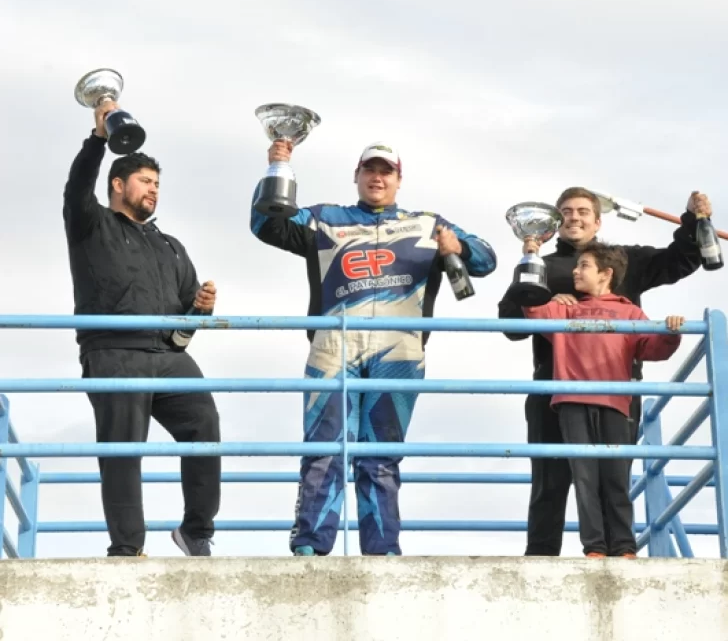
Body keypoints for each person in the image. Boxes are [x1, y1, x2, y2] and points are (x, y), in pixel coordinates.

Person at [251, 140, 497, 556]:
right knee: (324, 448)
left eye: (386, 171)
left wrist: (459, 248)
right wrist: (278, 166)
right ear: (357, 176)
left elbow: (486, 260)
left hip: (399, 353)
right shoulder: (326, 218)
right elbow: (266, 226)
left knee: (380, 458)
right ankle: (310, 547)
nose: (377, 177)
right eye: (370, 170)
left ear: (399, 180)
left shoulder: (426, 223)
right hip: (334, 347)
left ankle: (382, 552)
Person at [498, 185, 712, 556]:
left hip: (617, 390)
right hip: (554, 388)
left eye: (583, 211)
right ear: (555, 220)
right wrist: (541, 297)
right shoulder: (541, 267)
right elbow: (511, 325)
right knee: (551, 478)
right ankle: (541, 557)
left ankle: (619, 549)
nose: (574, 217)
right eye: (566, 211)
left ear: (598, 221)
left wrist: (694, 219)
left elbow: (681, 260)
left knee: (613, 472)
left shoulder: (627, 260)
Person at [63, 100, 221, 557]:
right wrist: (98, 139)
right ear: (118, 184)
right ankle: (128, 549)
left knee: (204, 426)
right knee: (123, 450)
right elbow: (76, 189)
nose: (153, 190)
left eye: (157, 184)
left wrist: (199, 310)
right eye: (145, 182)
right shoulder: (91, 224)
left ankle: (196, 530)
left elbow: (184, 327)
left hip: (169, 357)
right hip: (113, 352)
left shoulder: (171, 245)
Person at [523, 242, 683, 558]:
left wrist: (671, 332)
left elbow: (653, 348)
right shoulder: (564, 307)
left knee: (615, 476)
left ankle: (624, 545)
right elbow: (529, 310)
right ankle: (594, 546)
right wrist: (536, 271)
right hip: (571, 403)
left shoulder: (629, 311)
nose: (575, 271)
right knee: (584, 475)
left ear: (605, 274)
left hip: (615, 402)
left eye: (583, 266)